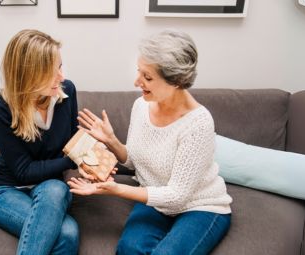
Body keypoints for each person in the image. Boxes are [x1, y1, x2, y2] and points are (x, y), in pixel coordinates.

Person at [68, 29, 233, 255]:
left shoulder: (198, 123)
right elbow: (134, 162)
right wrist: (112, 140)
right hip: (156, 202)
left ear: (176, 81)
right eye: (139, 72)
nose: (137, 82)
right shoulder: (141, 106)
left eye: (147, 77)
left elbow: (176, 197)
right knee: (128, 249)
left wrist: (116, 190)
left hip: (200, 206)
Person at [0, 29, 81, 255]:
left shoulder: (67, 92)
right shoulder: (0, 109)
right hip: (4, 190)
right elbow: (23, 171)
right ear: (28, 74)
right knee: (68, 233)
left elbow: (73, 141)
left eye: (60, 66)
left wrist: (94, 154)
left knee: (56, 188)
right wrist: (72, 160)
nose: (62, 77)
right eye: (52, 70)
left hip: (50, 189)